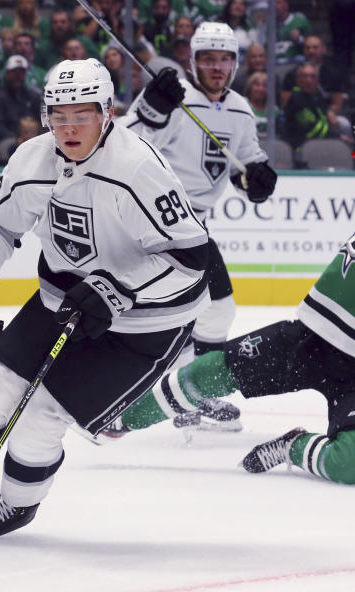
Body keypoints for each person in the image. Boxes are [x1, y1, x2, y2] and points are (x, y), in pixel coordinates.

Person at [0, 59, 210, 539]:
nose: (69, 127)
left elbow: (191, 258)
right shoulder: (32, 158)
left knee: (41, 414)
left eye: (82, 114)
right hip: (65, 299)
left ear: (108, 112)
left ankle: (16, 504)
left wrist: (120, 289)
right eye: (58, 114)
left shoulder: (138, 168)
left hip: (146, 322)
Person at [108, 130, 355, 485]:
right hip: (316, 337)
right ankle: (122, 418)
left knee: (353, 463)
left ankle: (293, 446)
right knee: (213, 371)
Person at [120, 22, 277, 433]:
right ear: (193, 60)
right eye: (208, 58)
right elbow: (122, 144)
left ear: (236, 63)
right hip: (157, 220)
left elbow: (246, 159)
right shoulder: (172, 96)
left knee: (210, 311)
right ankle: (181, 391)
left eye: (224, 58)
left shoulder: (241, 109)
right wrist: (152, 113)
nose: (216, 66)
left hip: (195, 225)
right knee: (194, 311)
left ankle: (187, 389)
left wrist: (255, 179)